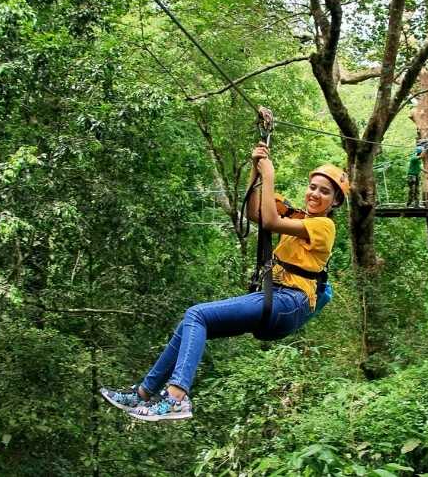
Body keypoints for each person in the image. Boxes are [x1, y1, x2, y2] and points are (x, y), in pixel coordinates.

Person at [100, 143, 349, 422]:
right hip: (279, 298)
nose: (315, 194)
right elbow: (255, 212)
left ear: (335, 202)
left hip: (290, 300)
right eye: (313, 187)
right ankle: (143, 393)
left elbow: (269, 220)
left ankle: (176, 398)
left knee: (197, 314)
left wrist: (270, 174)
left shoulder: (324, 226)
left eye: (324, 192)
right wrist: (256, 171)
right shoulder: (298, 216)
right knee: (190, 324)